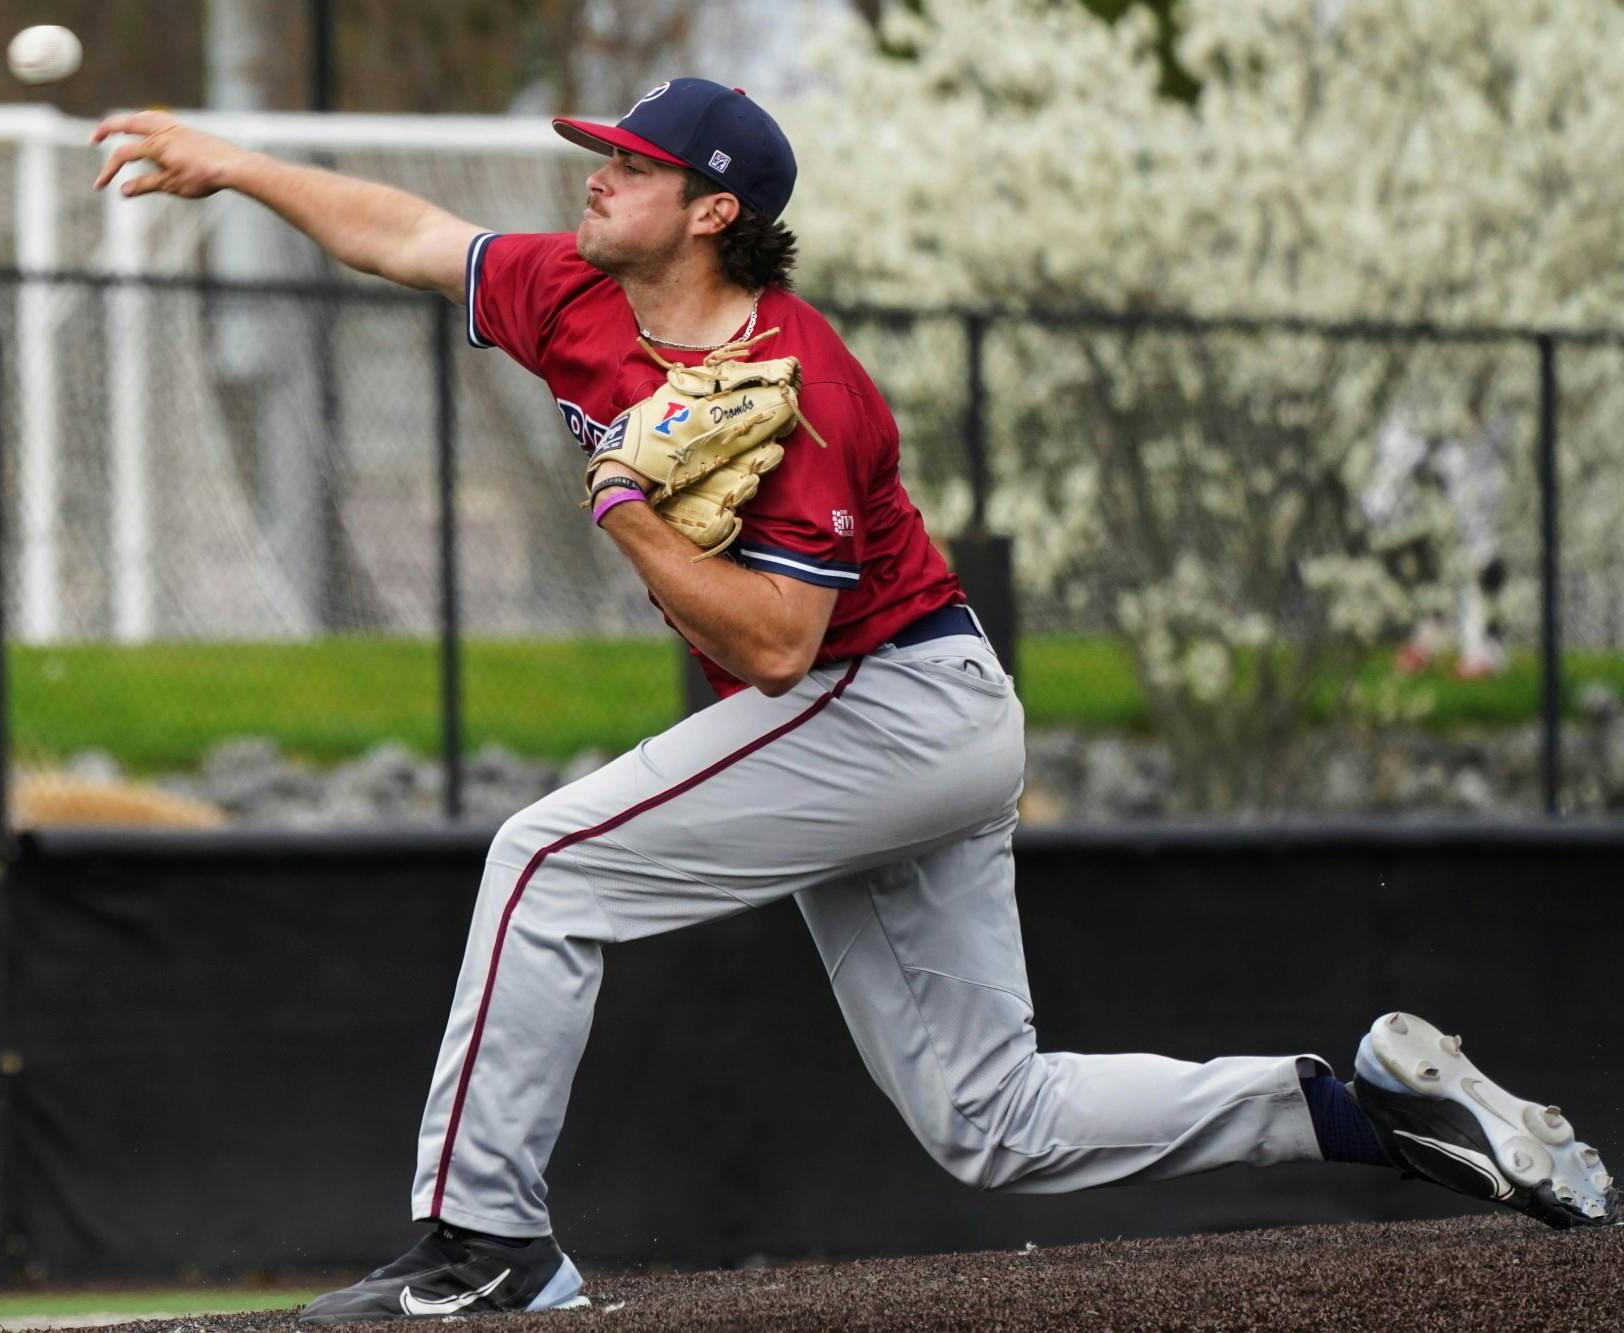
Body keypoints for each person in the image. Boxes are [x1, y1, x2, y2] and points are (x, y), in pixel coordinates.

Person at [93, 78, 1615, 1323]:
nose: (593, 180)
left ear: (716, 209)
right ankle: (1365, 1110)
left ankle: (485, 1242)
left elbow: (773, 651)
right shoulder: (572, 291)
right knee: (992, 1122)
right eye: (599, 158)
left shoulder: (801, 383)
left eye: (629, 166)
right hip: (886, 718)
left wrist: (621, 508)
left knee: (545, 863)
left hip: (892, 700)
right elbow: (412, 234)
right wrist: (230, 162)